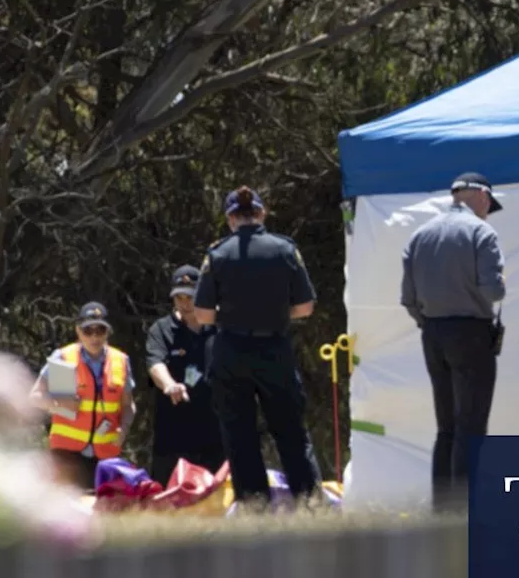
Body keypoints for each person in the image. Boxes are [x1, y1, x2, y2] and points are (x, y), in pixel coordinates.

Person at [194, 186, 321, 509]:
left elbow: (203, 314)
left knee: (239, 435)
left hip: (232, 350)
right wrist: (276, 313)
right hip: (273, 349)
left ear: (230, 219)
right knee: (291, 431)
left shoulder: (218, 254)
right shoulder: (284, 249)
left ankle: (255, 508)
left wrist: (233, 315)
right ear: (262, 214)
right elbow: (305, 306)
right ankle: (309, 504)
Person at [400, 171, 506, 511]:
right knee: (470, 425)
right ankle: (465, 511)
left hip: (433, 333)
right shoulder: (481, 231)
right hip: (471, 333)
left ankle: (442, 510)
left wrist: (429, 322)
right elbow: (495, 291)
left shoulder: (420, 235)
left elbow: (408, 299)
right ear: (483, 198)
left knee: (446, 427)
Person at [28, 302, 137, 491]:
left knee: (102, 514)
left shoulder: (120, 361)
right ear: (78, 331)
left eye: (100, 330)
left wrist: (124, 429)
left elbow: (128, 405)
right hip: (67, 454)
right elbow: (35, 396)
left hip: (105, 456)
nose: (94, 337)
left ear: (107, 332)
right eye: (88, 331)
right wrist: (57, 404)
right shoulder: (63, 358)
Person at [144, 265, 226, 485]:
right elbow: (155, 363)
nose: (184, 302)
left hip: (215, 431)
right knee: (169, 499)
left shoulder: (219, 326)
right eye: (178, 297)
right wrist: (169, 385)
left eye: (189, 296)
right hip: (173, 432)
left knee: (217, 498)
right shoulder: (161, 329)